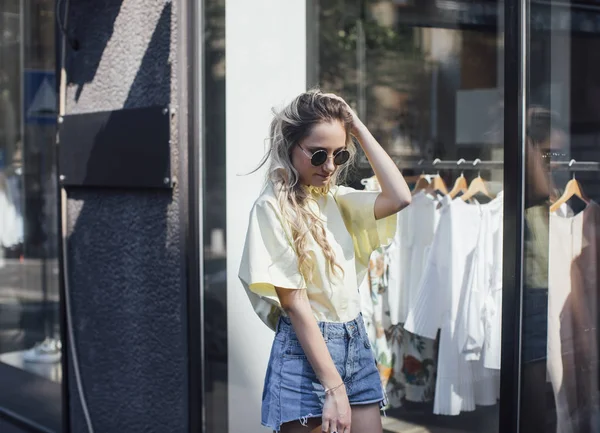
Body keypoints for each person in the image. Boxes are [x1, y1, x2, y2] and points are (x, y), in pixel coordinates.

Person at [238, 89, 411, 433]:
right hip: (306, 354)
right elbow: (296, 305)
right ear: (291, 146)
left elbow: (400, 196)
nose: (330, 166)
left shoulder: (338, 201)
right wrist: (334, 388)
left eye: (340, 154)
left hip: (355, 341)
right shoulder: (271, 209)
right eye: (318, 154)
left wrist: (357, 126)